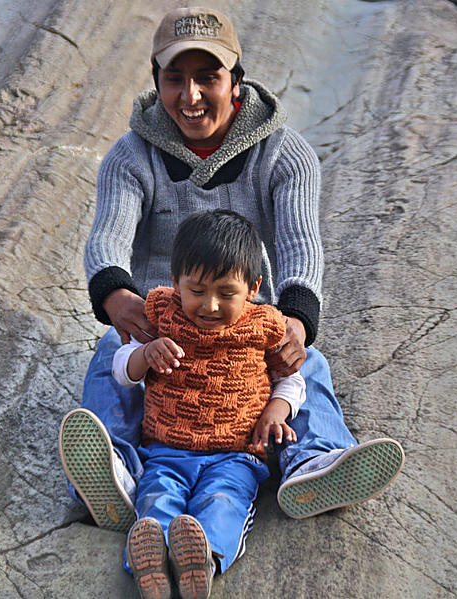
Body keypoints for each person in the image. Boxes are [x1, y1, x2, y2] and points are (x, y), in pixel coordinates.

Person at [58, 6, 403, 536]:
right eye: (175, 79)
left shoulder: (286, 156)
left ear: (236, 81)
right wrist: (117, 296)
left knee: (305, 363)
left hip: (240, 313)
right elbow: (107, 238)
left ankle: (315, 464)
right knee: (110, 353)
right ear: (157, 81)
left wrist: (295, 320)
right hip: (161, 320)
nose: (190, 96)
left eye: (207, 77)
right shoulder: (130, 157)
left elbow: (299, 246)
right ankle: (117, 471)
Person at [114, 210, 305, 599]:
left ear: (253, 289)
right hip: (166, 450)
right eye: (197, 290)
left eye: (226, 293)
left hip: (235, 455)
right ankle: (151, 562)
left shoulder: (263, 326)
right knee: (157, 496)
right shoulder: (163, 318)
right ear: (175, 283)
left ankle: (203, 559)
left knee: (224, 500)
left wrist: (275, 410)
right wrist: (145, 354)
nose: (211, 306)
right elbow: (121, 369)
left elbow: (291, 378)